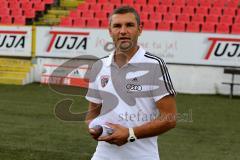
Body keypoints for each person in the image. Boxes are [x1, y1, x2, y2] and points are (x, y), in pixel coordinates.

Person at [85, 5, 177, 160]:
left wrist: (130, 134)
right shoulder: (99, 66)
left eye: (129, 25)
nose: (123, 31)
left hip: (143, 156)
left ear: (140, 29)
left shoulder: (155, 65)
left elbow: (170, 118)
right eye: (117, 26)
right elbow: (92, 113)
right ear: (110, 31)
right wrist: (94, 128)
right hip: (103, 155)